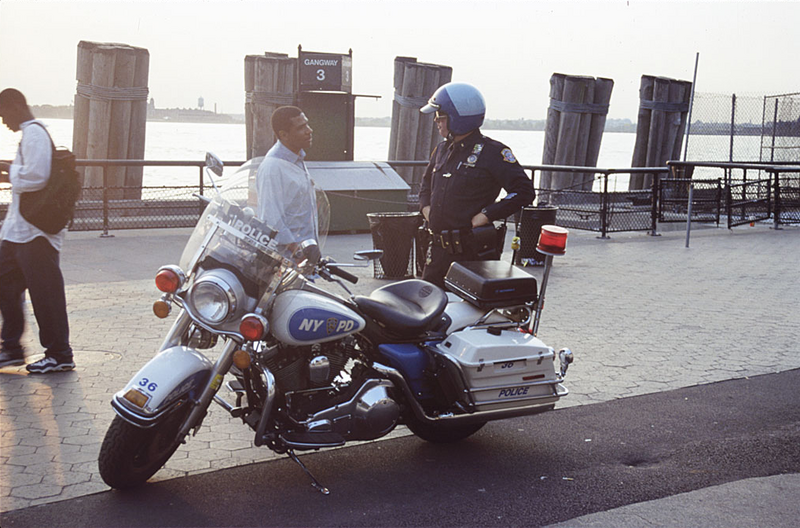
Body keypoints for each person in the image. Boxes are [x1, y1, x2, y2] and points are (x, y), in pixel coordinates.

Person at [418, 82, 535, 287]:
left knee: (469, 313)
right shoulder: (442, 150)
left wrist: (487, 214)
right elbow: (425, 186)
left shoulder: (493, 153)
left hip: (471, 253)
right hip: (436, 253)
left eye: (440, 117)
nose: (436, 122)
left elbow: (524, 191)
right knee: (427, 308)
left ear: (458, 118)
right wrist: (426, 208)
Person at [0, 88, 74, 373]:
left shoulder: (34, 134)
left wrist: (9, 172)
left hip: (37, 234)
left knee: (47, 296)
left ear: (17, 105)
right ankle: (12, 348)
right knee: (5, 285)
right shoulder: (28, 135)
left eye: (4, 112)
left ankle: (59, 355)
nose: (4, 121)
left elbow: (37, 176)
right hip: (18, 233)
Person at [256, 105, 320, 264]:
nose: (309, 130)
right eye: (301, 127)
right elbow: (270, 219)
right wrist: (297, 251)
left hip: (305, 256)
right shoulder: (273, 167)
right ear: (283, 135)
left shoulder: (296, 159)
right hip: (288, 262)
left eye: (307, 124)